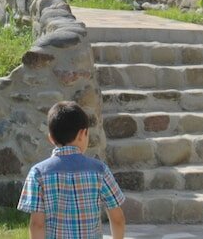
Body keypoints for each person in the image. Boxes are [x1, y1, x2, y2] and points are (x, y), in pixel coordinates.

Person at [17, 101, 126, 239]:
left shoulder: (38, 173)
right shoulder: (99, 170)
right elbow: (118, 219)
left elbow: (37, 224)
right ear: (83, 134)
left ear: (51, 138)